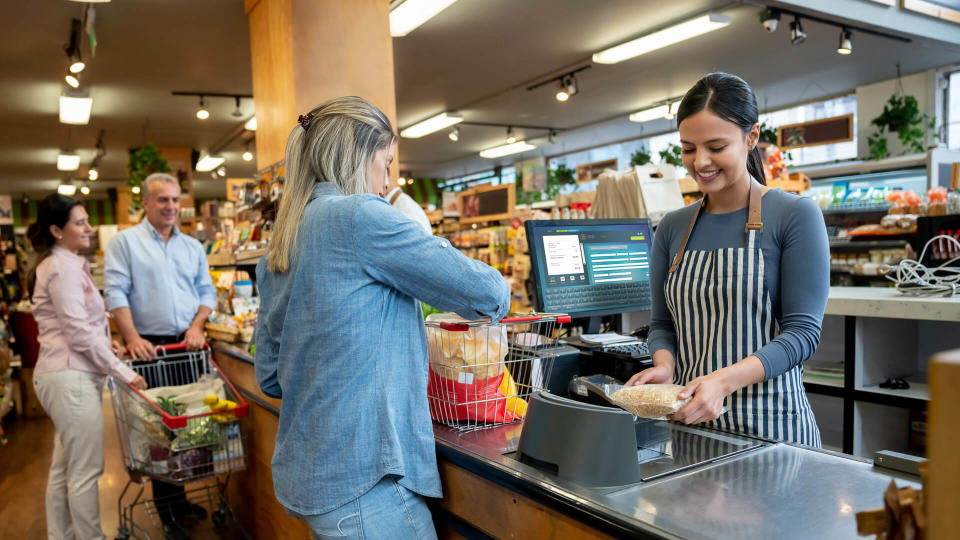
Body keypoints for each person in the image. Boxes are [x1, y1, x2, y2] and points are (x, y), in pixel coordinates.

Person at [255, 96, 510, 539]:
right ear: (357, 156)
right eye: (386, 163)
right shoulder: (358, 216)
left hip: (312, 477)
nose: (386, 181)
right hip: (365, 482)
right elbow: (489, 294)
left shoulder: (283, 239)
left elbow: (270, 380)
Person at [627, 73, 829, 447]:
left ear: (751, 137)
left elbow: (802, 334)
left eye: (716, 147)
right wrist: (664, 366)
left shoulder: (795, 215)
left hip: (773, 432)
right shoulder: (672, 227)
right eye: (688, 149)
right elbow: (661, 324)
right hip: (691, 430)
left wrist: (722, 382)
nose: (699, 162)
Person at [104, 172, 216, 539]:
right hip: (149, 348)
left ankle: (179, 500)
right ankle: (167, 511)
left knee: (188, 428)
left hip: (187, 345)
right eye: (162, 200)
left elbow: (206, 291)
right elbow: (116, 292)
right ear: (147, 203)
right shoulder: (126, 242)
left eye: (175, 200)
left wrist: (198, 325)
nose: (170, 207)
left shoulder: (192, 246)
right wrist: (131, 336)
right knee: (158, 433)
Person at [29, 194, 148, 540]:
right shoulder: (61, 268)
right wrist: (124, 371)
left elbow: (77, 327)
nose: (89, 228)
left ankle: (60, 536)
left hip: (63, 373)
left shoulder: (60, 264)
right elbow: (77, 332)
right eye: (79, 223)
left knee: (64, 467)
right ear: (56, 230)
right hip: (71, 378)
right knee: (85, 470)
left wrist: (104, 339)